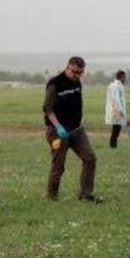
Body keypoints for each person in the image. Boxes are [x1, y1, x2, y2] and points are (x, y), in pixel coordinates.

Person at [42, 56, 101, 203]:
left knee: (90, 158)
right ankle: (51, 197)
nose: (77, 75)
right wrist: (58, 127)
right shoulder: (55, 84)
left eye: (80, 73)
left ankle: (86, 194)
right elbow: (47, 109)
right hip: (58, 130)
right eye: (74, 72)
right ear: (67, 67)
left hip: (76, 129)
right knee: (59, 165)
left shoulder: (77, 83)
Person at [105, 70, 127, 148]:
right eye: (125, 77)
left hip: (116, 110)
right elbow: (116, 99)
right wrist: (121, 111)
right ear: (122, 77)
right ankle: (113, 146)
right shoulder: (116, 86)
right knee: (116, 130)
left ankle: (113, 146)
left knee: (116, 129)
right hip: (116, 111)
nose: (125, 79)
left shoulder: (116, 85)